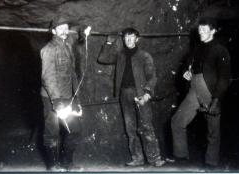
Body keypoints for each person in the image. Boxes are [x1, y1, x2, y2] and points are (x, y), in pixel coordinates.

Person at [97, 27, 165, 168]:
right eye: (126, 37)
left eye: (131, 37)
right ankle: (137, 158)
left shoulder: (144, 56)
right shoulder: (120, 55)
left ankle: (155, 158)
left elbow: (152, 77)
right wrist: (108, 43)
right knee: (130, 128)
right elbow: (102, 59)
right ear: (123, 39)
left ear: (137, 39)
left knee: (146, 126)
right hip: (124, 94)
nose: (128, 40)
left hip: (140, 93)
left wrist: (147, 94)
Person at [171, 17, 231, 169]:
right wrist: (186, 72)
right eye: (200, 30)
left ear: (213, 31)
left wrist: (216, 100)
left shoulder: (220, 49)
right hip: (194, 88)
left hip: (209, 90)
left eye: (205, 30)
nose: (201, 32)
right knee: (177, 121)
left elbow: (224, 77)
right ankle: (181, 157)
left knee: (213, 130)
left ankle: (211, 163)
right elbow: (187, 66)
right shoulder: (196, 48)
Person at [40, 16, 91, 171]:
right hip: (51, 97)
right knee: (52, 131)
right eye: (59, 28)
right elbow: (48, 77)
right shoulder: (48, 49)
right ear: (53, 31)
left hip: (68, 96)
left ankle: (67, 163)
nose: (63, 31)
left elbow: (72, 74)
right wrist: (56, 101)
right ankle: (53, 165)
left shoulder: (67, 46)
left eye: (65, 27)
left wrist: (75, 96)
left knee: (74, 130)